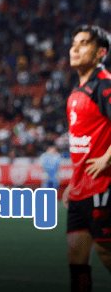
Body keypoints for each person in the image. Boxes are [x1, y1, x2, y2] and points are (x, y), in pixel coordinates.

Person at [63, 25, 111, 291]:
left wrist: (108, 158)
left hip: (103, 187)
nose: (75, 48)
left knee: (105, 253)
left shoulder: (104, 85)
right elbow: (83, 146)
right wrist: (73, 182)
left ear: (100, 52)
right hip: (81, 189)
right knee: (76, 257)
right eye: (74, 43)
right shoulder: (77, 92)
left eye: (84, 43)